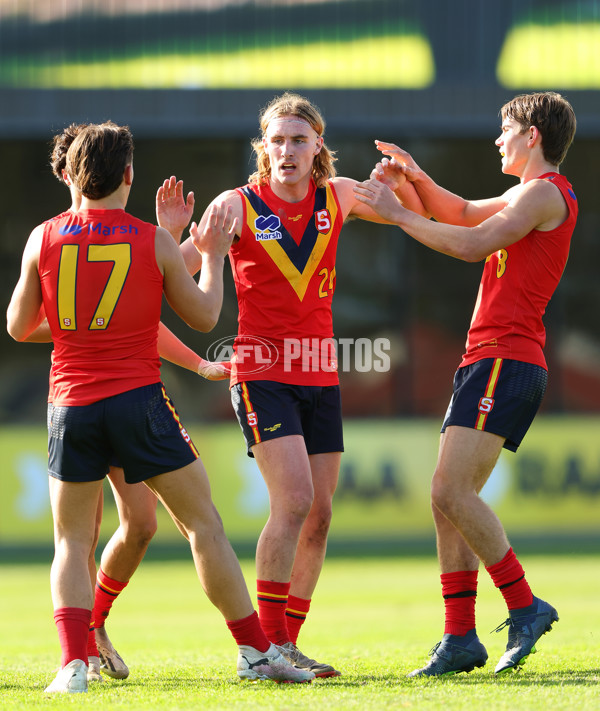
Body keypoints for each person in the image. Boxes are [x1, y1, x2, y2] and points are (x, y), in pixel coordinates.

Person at [6, 121, 314, 693]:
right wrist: (214, 255)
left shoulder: (42, 237)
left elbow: (19, 327)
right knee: (203, 524)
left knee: (73, 541)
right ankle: (253, 651)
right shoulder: (150, 240)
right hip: (138, 403)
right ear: (128, 175)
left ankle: (73, 665)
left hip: (70, 404)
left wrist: (84, 329)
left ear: (75, 176)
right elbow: (202, 317)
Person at [168, 92, 425, 678]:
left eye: (298, 140)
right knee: (294, 502)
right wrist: (176, 243)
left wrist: (404, 180)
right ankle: (260, 649)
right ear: (263, 149)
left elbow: (415, 213)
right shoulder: (234, 205)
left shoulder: (338, 195)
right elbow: (176, 268)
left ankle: (283, 644)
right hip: (262, 375)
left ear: (317, 148)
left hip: (321, 373)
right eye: (276, 141)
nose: (286, 150)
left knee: (321, 514)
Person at [353, 91, 577, 676]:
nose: (497, 139)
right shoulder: (529, 194)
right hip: (491, 359)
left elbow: (472, 244)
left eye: (505, 130)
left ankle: (525, 605)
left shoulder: (544, 192)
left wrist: (400, 212)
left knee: (452, 494)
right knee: (444, 497)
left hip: (506, 359)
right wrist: (416, 179)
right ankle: (460, 638)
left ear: (533, 136)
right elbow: (459, 213)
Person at [29, 126, 230, 684]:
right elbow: (140, 311)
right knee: (86, 535)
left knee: (139, 524)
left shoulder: (76, 236)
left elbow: (137, 316)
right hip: (102, 397)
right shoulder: (61, 236)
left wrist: (173, 240)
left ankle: (88, 632)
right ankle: (84, 639)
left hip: (83, 402)